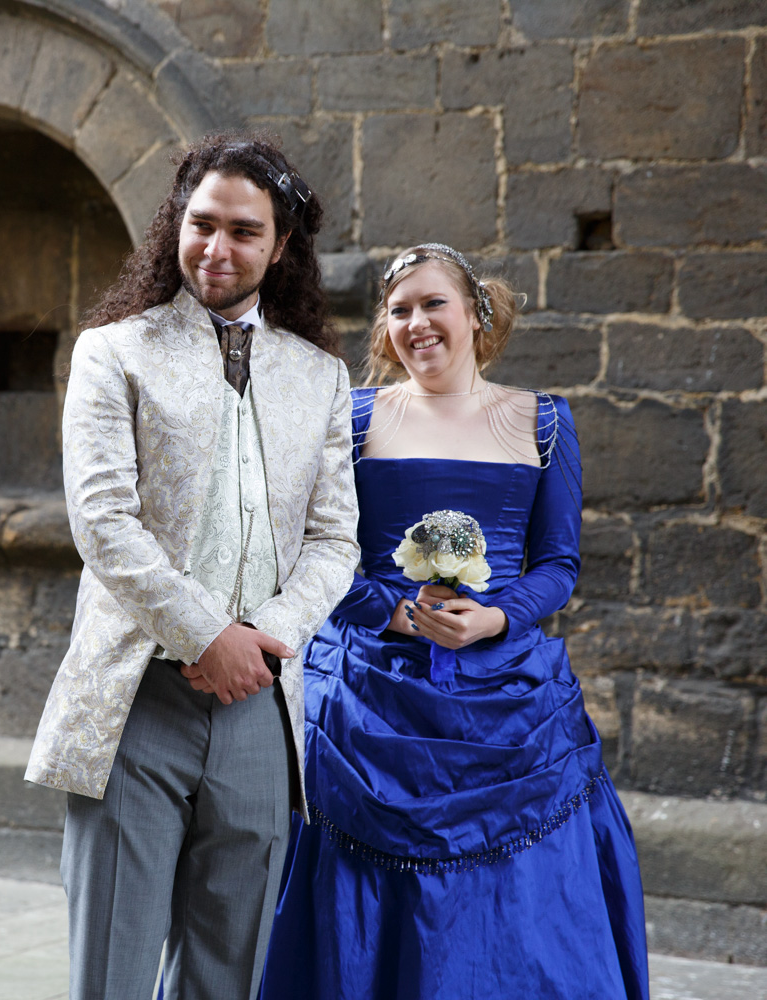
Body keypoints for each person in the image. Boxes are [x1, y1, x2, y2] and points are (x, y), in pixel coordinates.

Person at [258, 244, 650, 999]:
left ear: (476, 313)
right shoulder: (355, 416)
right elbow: (318, 549)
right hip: (371, 690)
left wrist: (496, 618)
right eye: (399, 310)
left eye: (433, 303)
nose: (416, 323)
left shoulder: (543, 422)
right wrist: (395, 615)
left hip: (506, 696)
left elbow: (559, 565)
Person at [24, 135, 360, 1000]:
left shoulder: (320, 377)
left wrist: (265, 639)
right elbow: (103, 522)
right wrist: (207, 634)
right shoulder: (114, 353)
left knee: (231, 970)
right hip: (137, 697)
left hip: (259, 705)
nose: (218, 248)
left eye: (244, 231)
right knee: (113, 965)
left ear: (279, 246)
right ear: (176, 224)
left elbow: (336, 540)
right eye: (202, 224)